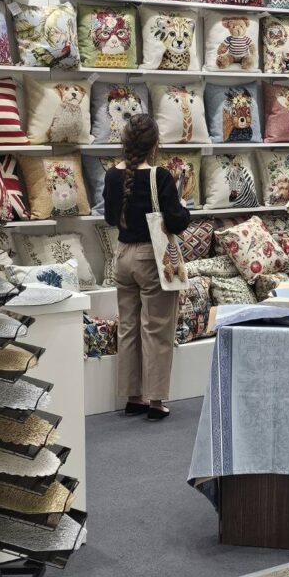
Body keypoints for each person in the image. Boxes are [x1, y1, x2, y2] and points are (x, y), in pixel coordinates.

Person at [103, 113, 191, 421]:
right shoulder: (159, 176)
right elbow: (177, 221)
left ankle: (132, 397)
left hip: (122, 255)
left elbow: (110, 219)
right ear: (155, 144)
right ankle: (155, 401)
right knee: (157, 328)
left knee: (128, 327)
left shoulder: (112, 175)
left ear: (126, 142)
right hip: (152, 257)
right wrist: (183, 208)